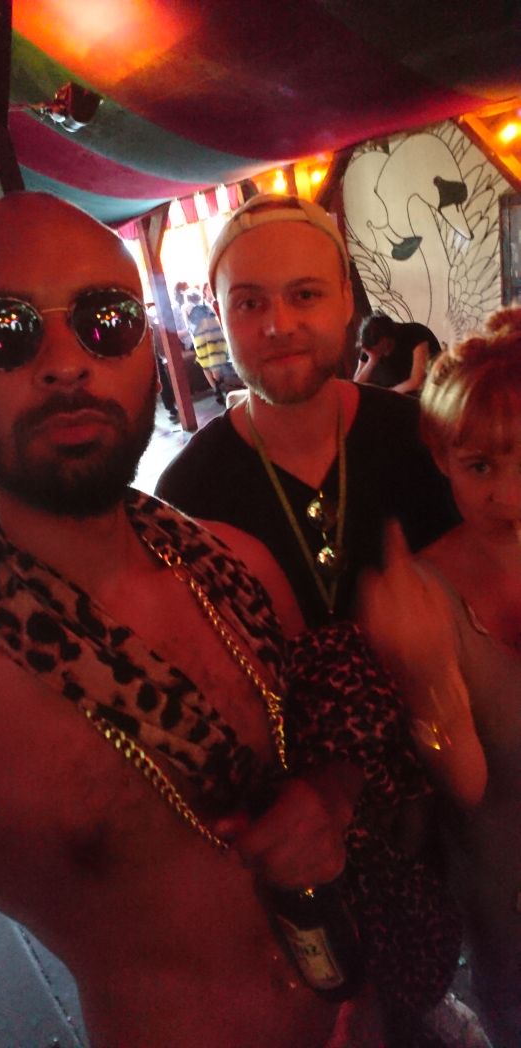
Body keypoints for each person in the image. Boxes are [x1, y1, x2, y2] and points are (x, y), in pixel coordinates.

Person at [0, 190, 464, 1048]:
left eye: (105, 321)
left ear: (149, 347)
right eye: (2, 329)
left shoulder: (234, 564)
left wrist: (331, 796)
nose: (66, 364)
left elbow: (333, 737)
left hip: (368, 1004)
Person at [156, 193, 458, 628]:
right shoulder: (187, 496)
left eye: (305, 294)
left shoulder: (423, 440)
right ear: (219, 314)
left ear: (346, 299)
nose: (279, 326)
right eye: (249, 303)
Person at [359, 309, 521, 1048]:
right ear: (441, 455)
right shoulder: (425, 595)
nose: (508, 498)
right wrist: (423, 672)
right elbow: (470, 787)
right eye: (480, 466)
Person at [353, 311, 441, 396]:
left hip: (427, 393)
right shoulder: (370, 346)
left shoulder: (415, 333)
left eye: (385, 348)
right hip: (392, 396)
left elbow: (416, 381)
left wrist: (385, 396)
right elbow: (356, 385)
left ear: (387, 337)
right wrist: (371, 361)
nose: (384, 354)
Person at [186, 288, 243, 405]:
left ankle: (216, 390)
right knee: (217, 361)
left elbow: (189, 326)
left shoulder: (186, 307)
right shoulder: (206, 304)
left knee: (205, 365)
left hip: (200, 338)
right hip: (215, 334)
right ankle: (222, 386)